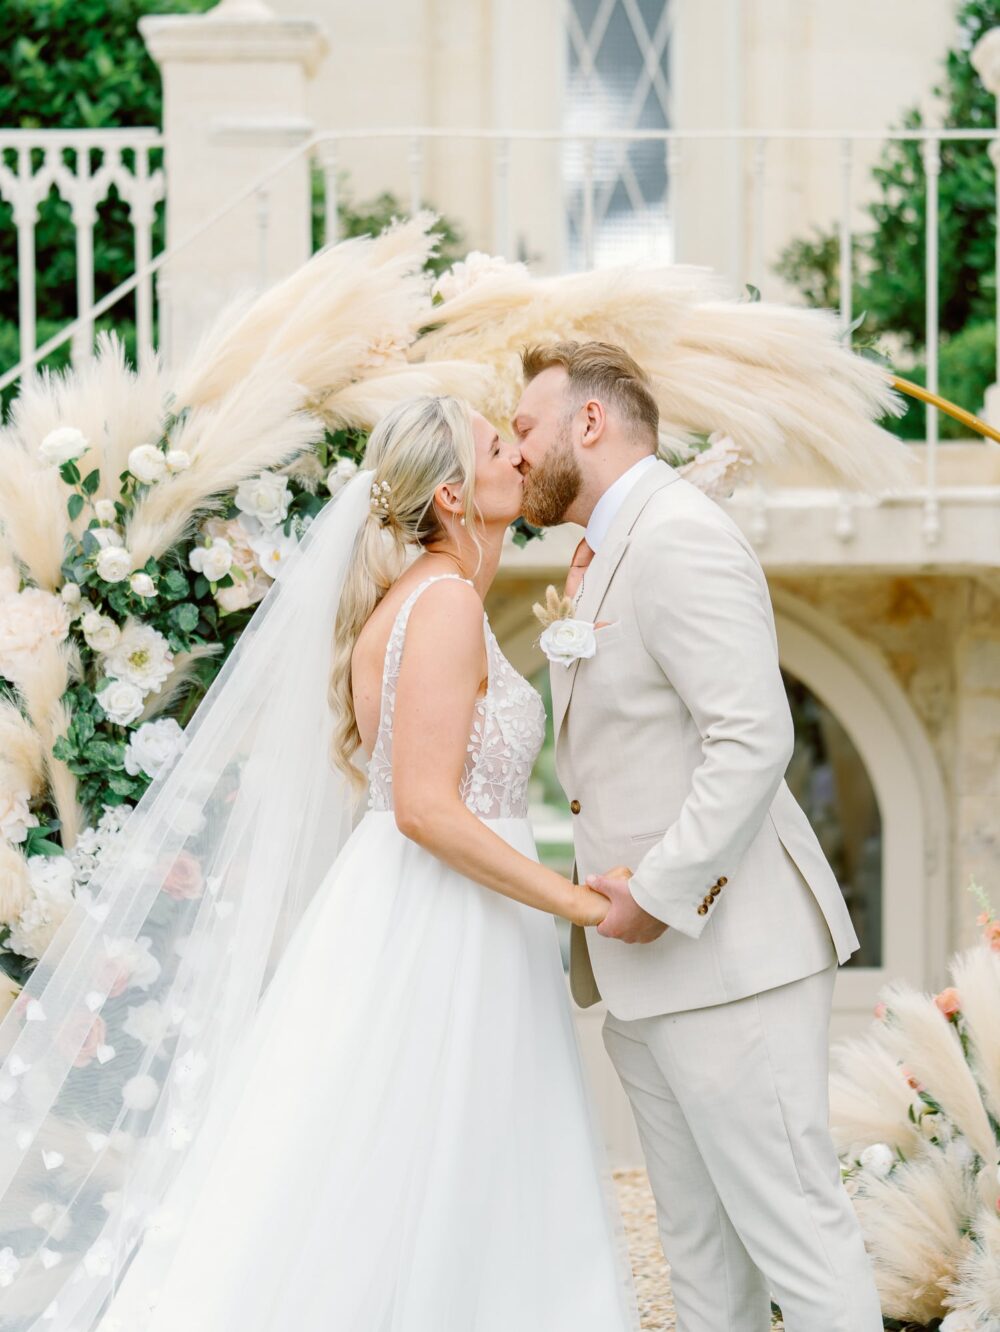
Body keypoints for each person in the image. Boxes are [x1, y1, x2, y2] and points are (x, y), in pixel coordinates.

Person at [5, 394, 637, 1332]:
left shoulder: (416, 599)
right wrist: (577, 907)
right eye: (500, 448)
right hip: (450, 919)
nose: (521, 456)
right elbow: (425, 806)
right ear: (457, 497)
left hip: (439, 909)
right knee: (440, 1149)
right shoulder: (447, 602)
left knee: (411, 1156)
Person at [512, 339, 884, 1332]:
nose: (513, 453)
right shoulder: (608, 552)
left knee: (797, 1238)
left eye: (522, 428)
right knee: (700, 1260)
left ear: (588, 422)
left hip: (730, 959)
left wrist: (660, 891)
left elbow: (753, 735)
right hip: (648, 977)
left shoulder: (678, 535)